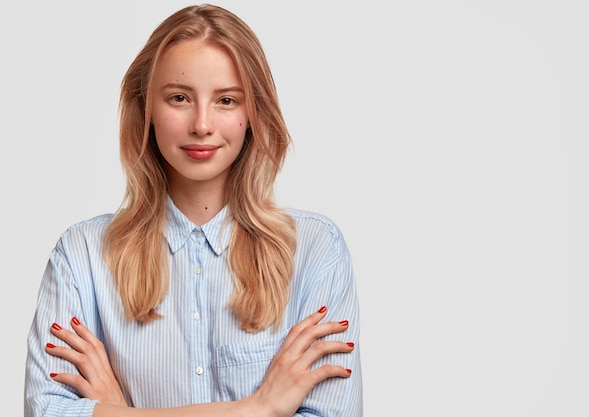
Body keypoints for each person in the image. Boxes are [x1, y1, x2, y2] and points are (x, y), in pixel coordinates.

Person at [23, 4, 362, 417]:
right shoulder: (82, 255)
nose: (202, 124)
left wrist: (115, 411)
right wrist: (261, 408)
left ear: (253, 113)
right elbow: (48, 412)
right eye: (179, 98)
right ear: (145, 109)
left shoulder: (313, 251)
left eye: (226, 100)